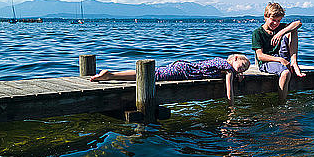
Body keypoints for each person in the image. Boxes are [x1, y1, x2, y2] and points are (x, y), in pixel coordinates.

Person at [90, 54, 250, 105]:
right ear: (234, 58)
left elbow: (231, 72)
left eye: (244, 69)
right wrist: (232, 108)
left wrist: (238, 74)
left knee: (155, 73)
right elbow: (229, 92)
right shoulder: (228, 69)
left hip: (183, 66)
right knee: (153, 76)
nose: (241, 69)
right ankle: (111, 75)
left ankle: (112, 74)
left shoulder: (221, 62)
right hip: (183, 72)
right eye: (241, 65)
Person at [252, 2, 306, 102]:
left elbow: (298, 23)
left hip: (282, 57)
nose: (276, 23)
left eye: (278, 21)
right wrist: (280, 60)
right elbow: (260, 56)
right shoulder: (258, 32)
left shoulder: (279, 28)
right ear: (265, 17)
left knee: (293, 30)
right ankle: (282, 104)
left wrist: (281, 33)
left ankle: (294, 62)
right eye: (273, 20)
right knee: (285, 73)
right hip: (267, 62)